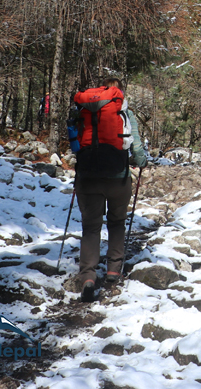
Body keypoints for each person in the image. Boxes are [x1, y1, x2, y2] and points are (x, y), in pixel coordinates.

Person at [72, 76, 147, 301]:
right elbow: (136, 146)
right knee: (116, 222)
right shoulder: (125, 113)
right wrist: (141, 161)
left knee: (91, 227)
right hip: (118, 177)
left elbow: (75, 142)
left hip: (88, 177)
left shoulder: (85, 110)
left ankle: (87, 276)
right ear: (120, 94)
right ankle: (114, 269)